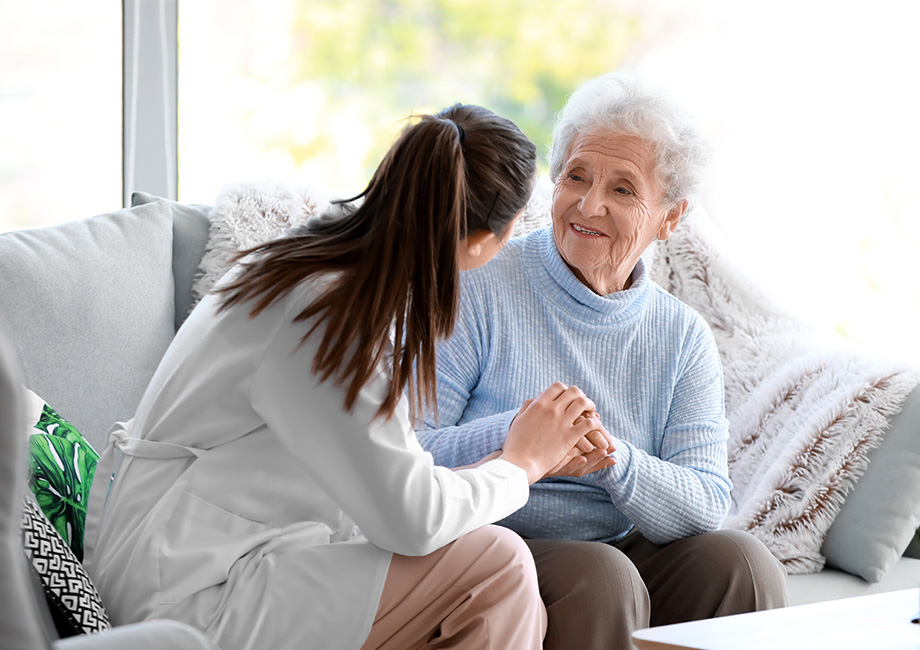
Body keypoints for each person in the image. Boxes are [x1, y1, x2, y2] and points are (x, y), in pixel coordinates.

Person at [83, 103, 610, 650]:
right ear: (481, 242)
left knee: (495, 573)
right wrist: (520, 464)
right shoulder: (324, 311)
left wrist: (498, 466)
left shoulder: (320, 266)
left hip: (218, 555)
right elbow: (411, 520)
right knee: (497, 567)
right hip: (190, 590)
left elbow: (385, 479)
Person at [416, 73, 788, 649]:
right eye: (577, 177)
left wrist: (611, 459)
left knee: (741, 562)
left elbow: (707, 501)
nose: (589, 205)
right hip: (494, 542)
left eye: (622, 190)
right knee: (600, 577)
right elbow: (410, 449)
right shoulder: (480, 282)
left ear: (670, 216)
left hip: (617, 540)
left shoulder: (681, 334)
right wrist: (525, 437)